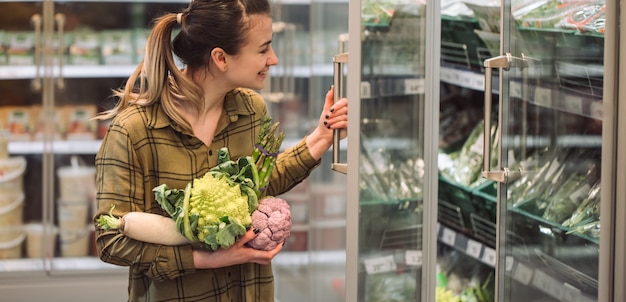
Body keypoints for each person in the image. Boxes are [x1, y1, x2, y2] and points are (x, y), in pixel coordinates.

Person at [91, 0, 348, 301]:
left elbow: (260, 183)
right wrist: (206, 259)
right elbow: (110, 241)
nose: (274, 59)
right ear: (221, 58)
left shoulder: (251, 110)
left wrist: (321, 137)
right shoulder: (134, 130)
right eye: (263, 49)